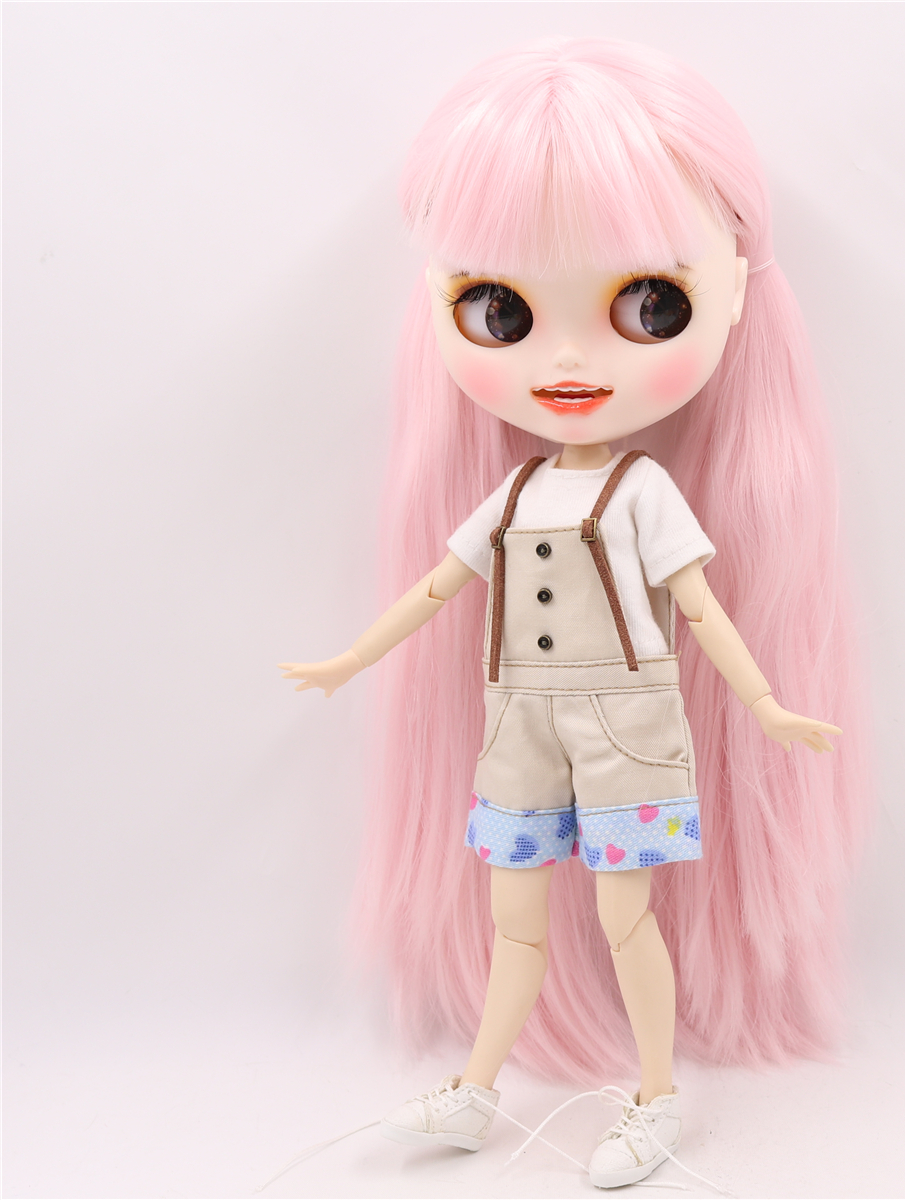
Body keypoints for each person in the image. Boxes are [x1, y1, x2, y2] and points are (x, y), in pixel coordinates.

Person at [280, 36, 867, 1189]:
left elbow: (699, 609)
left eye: (649, 304)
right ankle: (476, 1087)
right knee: (517, 918)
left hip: (626, 728)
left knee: (623, 916)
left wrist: (765, 705)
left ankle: (655, 1096)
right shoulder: (509, 495)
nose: (565, 359)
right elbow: (440, 588)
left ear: (732, 289)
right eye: (499, 308)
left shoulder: (641, 493)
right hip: (520, 726)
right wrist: (352, 658)